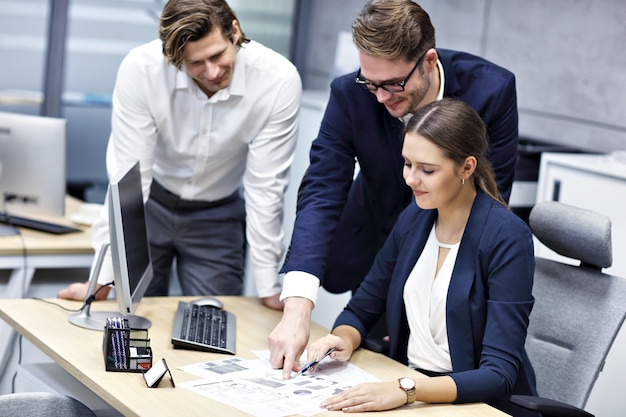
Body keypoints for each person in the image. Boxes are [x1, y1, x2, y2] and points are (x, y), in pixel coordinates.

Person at [269, 0, 519, 377]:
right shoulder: (351, 94)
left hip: (451, 262)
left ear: (429, 61)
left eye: (394, 85)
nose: (382, 97)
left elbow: (489, 198)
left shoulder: (491, 91)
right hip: (374, 255)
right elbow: (322, 190)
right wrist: (298, 306)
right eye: (371, 83)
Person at [57, 0, 302, 310]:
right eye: (195, 63)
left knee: (214, 324)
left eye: (217, 55)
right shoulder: (142, 69)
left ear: (235, 32)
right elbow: (128, 179)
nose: (211, 72)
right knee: (130, 316)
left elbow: (265, 187)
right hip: (149, 209)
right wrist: (104, 278)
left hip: (218, 216)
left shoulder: (277, 80)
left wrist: (269, 285)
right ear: (173, 58)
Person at [304, 98, 537, 417]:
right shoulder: (415, 217)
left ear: (466, 167)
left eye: (427, 170)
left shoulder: (507, 237)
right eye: (407, 164)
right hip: (410, 389)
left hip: (473, 405)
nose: (411, 179)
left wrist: (405, 389)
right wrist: (342, 337)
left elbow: (499, 375)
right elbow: (361, 309)